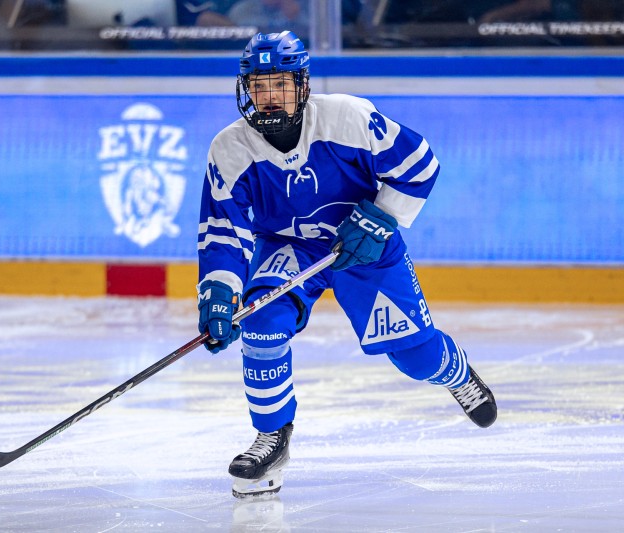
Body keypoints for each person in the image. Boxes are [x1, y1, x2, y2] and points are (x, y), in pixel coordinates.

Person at [196, 30, 497, 499]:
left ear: (302, 85)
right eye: (259, 86)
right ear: (245, 89)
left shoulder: (349, 118)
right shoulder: (229, 149)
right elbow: (222, 231)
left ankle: (455, 373)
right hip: (291, 246)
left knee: (417, 359)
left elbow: (420, 165)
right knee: (260, 324)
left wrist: (382, 216)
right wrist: (218, 292)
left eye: (280, 85)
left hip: (366, 246)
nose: (269, 98)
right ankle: (272, 438)